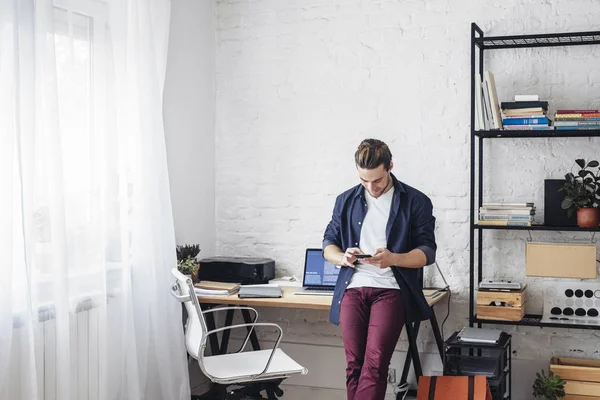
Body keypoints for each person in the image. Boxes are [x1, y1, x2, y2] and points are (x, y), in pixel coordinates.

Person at [322, 138, 436, 400]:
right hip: (354, 288)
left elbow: (427, 253)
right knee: (354, 366)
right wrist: (343, 257)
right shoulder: (345, 200)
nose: (371, 187)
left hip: (390, 289)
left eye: (377, 180)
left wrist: (393, 259)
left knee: (374, 366)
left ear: (390, 167)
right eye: (364, 181)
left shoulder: (415, 201)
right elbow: (328, 245)